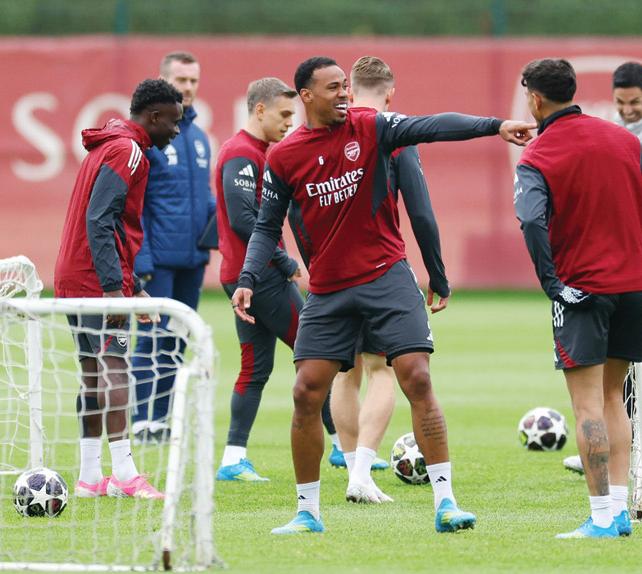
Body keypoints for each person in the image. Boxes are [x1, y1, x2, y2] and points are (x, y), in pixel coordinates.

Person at [232, 56, 535, 534]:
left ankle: (446, 503)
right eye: (333, 88)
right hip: (329, 289)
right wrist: (249, 276)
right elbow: (267, 227)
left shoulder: (372, 127)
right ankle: (307, 513)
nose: (344, 94)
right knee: (305, 392)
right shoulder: (284, 157)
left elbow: (432, 126)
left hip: (386, 277)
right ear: (306, 96)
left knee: (416, 376)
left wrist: (494, 126)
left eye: (345, 86)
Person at [514, 58, 642, 539]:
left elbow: (531, 220)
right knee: (612, 398)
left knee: (586, 406)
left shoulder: (538, 154)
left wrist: (552, 284)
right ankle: (619, 512)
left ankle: (602, 516)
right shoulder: (623, 139)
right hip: (631, 287)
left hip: (581, 290)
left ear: (535, 99)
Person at [328, 56, 452, 503]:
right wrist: (437, 274)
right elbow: (420, 211)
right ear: (390, 92)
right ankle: (361, 473)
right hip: (379, 271)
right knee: (380, 369)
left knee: (344, 373)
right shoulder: (394, 132)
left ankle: (350, 469)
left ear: (348, 89)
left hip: (330, 276)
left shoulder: (327, 131)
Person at [54, 78, 184, 499]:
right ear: (154, 116)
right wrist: (114, 290)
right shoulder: (127, 150)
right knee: (114, 366)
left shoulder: (108, 145)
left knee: (92, 371)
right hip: (97, 280)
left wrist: (133, 287)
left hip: (76, 275)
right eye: (173, 122)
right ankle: (126, 474)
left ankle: (91, 477)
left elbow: (104, 224)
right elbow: (100, 220)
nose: (176, 131)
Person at [564, 61, 642, 475]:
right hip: (623, 261)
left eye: (636, 102)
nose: (628, 110)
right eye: (621, 102)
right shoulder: (612, 130)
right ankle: (619, 445)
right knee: (616, 362)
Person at [212, 78, 303, 482]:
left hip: (245, 275)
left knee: (255, 367)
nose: (289, 123)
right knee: (319, 353)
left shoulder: (255, 152)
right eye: (284, 114)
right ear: (260, 110)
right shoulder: (241, 153)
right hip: (260, 277)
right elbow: (242, 219)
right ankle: (344, 448)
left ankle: (232, 459)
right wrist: (283, 261)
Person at [132, 51, 216, 445]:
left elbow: (205, 197)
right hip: (158, 261)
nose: (188, 87)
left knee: (177, 342)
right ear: (165, 80)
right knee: (150, 339)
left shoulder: (198, 137)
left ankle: (162, 421)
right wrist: (142, 259)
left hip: (193, 260)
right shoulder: (150, 136)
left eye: (194, 80)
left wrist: (216, 234)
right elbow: (136, 204)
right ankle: (140, 421)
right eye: (181, 80)